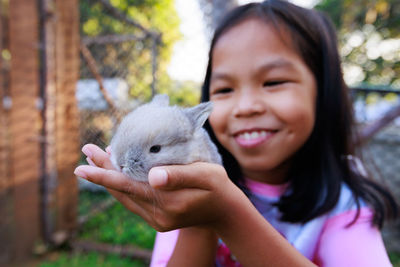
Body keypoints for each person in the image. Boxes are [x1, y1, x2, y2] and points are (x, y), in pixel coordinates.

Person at [74, 1, 398, 266]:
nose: (245, 107)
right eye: (225, 88)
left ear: (323, 92)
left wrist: (228, 214)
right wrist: (199, 223)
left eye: (273, 82)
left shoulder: (343, 202)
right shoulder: (184, 180)